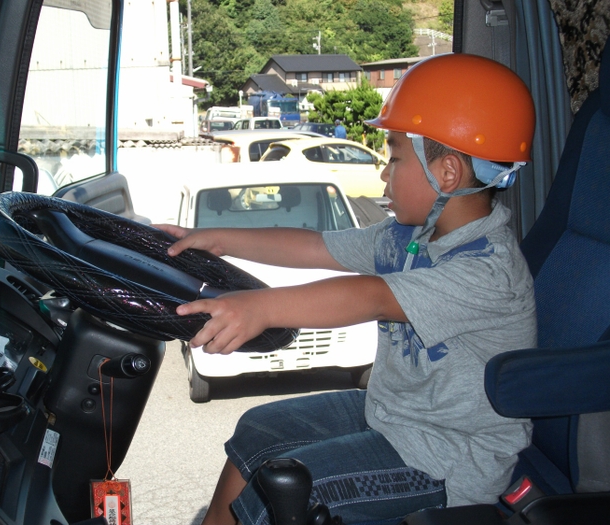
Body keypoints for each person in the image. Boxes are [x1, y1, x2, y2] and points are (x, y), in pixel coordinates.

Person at [156, 53, 537, 525]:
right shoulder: (409, 235)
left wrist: (263, 308)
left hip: (448, 458)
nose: (383, 172)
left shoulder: (488, 271)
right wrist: (220, 240)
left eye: (394, 156)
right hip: (389, 414)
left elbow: (372, 295)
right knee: (258, 430)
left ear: (448, 174)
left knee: (286, 491)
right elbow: (316, 246)